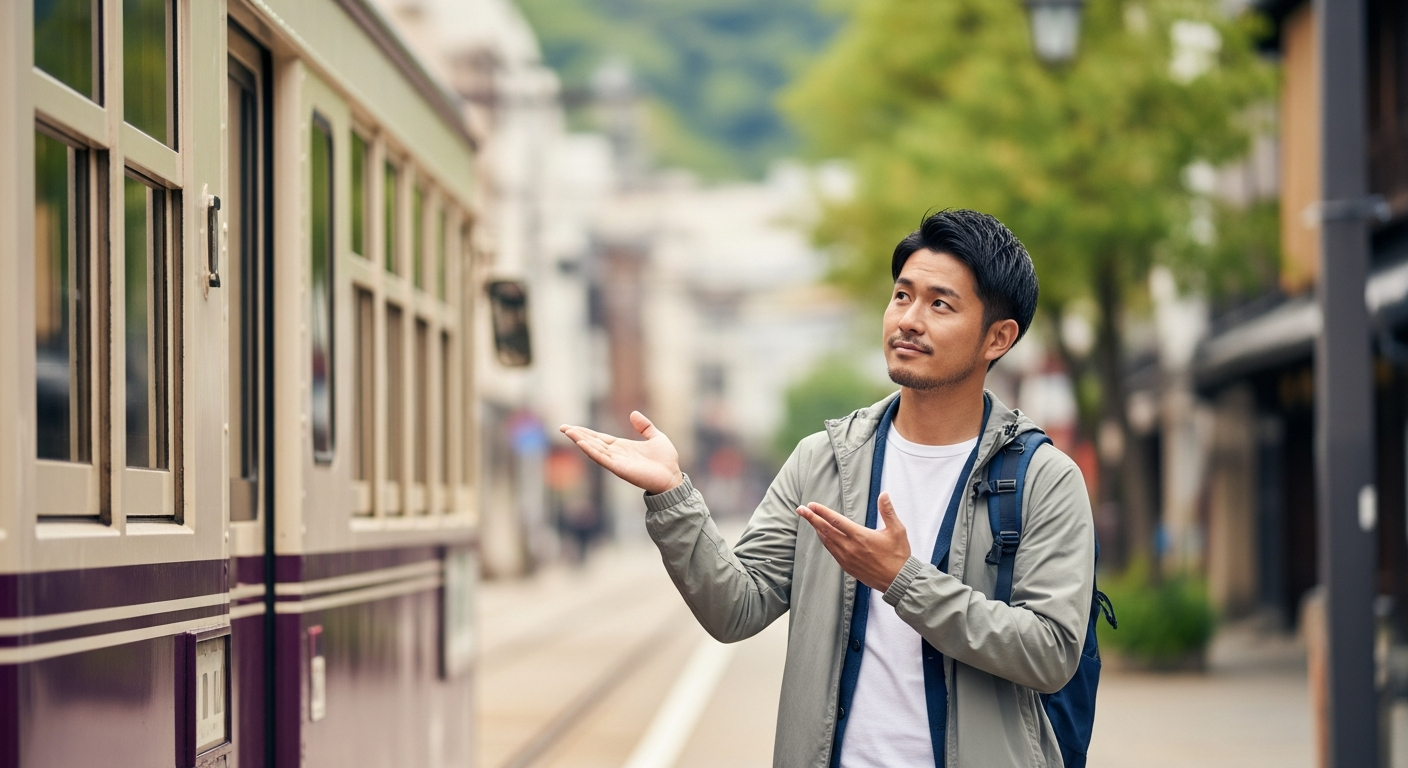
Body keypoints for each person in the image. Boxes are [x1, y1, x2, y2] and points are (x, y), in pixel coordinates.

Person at [560, 209, 1095, 768]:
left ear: (998, 337)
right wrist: (673, 495)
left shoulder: (1043, 478)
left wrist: (902, 580)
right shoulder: (824, 461)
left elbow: (1052, 652)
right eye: (902, 296)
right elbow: (735, 607)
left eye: (940, 304)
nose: (909, 319)